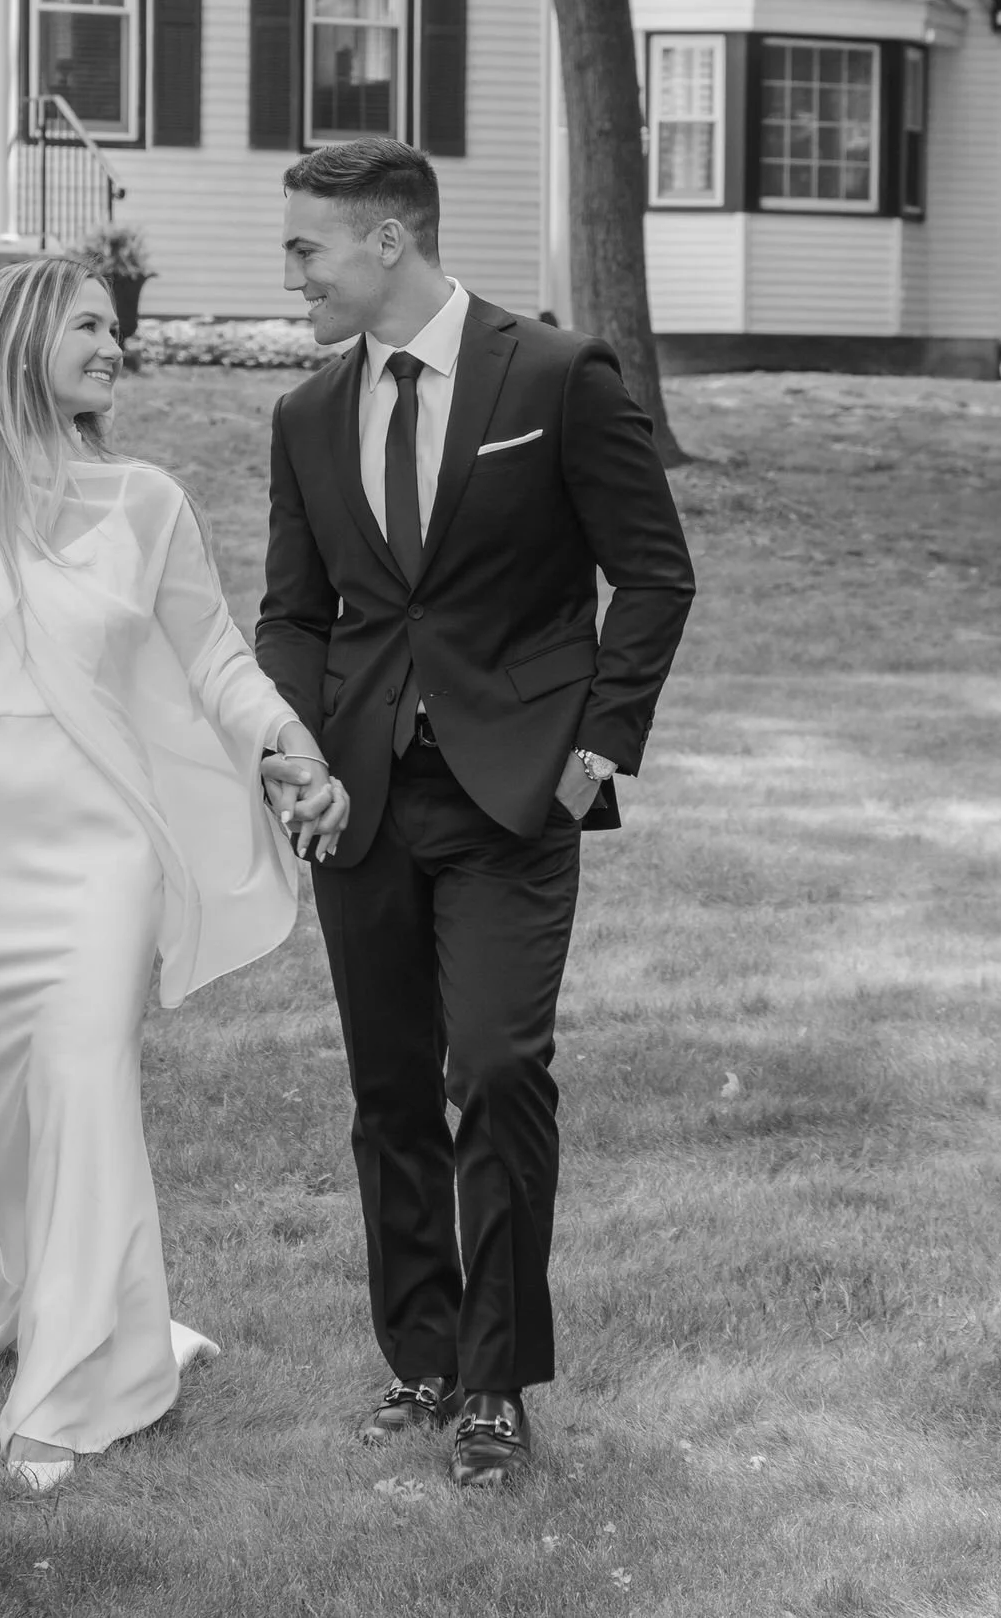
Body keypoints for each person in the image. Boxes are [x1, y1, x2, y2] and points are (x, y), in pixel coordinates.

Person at [0, 256, 348, 1494]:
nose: (112, 343)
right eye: (87, 324)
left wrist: (287, 739)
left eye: (115, 327)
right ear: (22, 341)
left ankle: (73, 1393)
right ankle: (67, 1308)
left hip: (101, 856)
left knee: (83, 1083)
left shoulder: (147, 502)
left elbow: (216, 655)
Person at [255, 141, 695, 1492]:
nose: (294, 275)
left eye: (307, 248)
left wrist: (596, 754)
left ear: (387, 240)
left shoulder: (556, 376)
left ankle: (497, 1381)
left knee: (497, 1071)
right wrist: (299, 752)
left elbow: (654, 574)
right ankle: (425, 1359)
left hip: (517, 794)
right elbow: (294, 613)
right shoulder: (308, 415)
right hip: (363, 799)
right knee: (390, 1089)